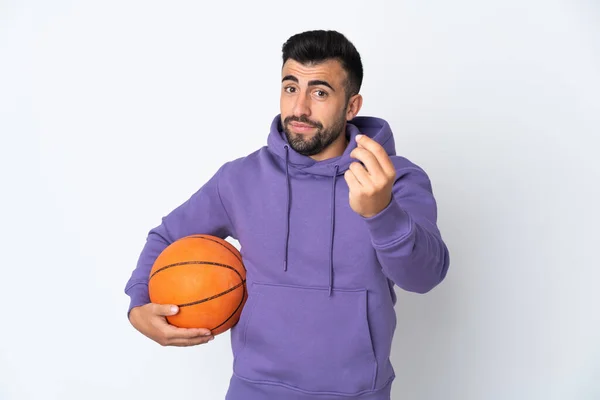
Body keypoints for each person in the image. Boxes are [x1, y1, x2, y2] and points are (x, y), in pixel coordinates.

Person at [124, 29, 450, 400]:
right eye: (291, 88)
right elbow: (167, 236)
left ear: (352, 106)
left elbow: (425, 278)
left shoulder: (393, 178)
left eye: (320, 92)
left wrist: (382, 213)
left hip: (357, 393)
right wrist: (138, 305)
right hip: (253, 390)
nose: (300, 109)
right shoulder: (240, 179)